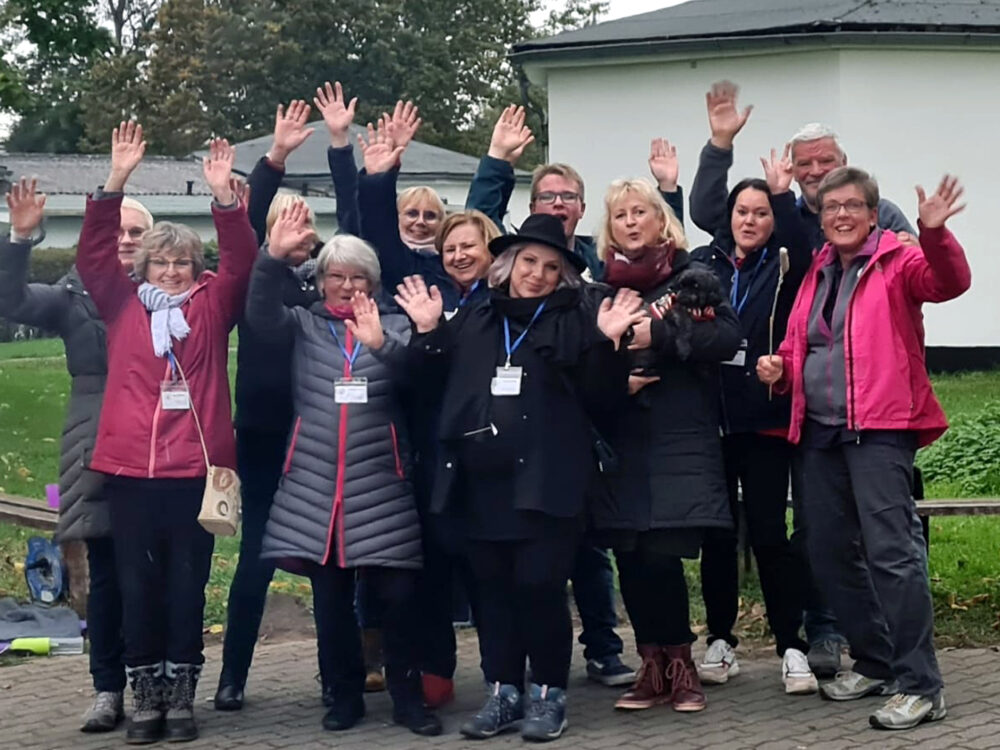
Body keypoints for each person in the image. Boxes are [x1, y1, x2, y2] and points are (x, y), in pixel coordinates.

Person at [395, 214, 642, 741]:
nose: (537, 274)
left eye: (551, 267)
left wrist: (606, 344)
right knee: (492, 593)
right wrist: (426, 332)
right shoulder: (476, 316)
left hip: (548, 486)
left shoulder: (577, 320)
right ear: (507, 264)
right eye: (529, 261)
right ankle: (503, 691)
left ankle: (549, 694)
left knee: (539, 588)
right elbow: (427, 381)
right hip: (480, 487)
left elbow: (606, 402)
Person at [757, 168, 970, 731]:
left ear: (874, 214)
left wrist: (934, 233)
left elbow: (949, 283)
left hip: (880, 427)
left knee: (892, 555)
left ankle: (923, 685)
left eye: (853, 206)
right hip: (822, 430)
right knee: (825, 550)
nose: (842, 215)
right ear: (821, 219)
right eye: (832, 208)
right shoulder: (818, 271)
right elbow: (805, 340)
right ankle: (876, 660)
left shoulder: (899, 262)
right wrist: (781, 367)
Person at [466, 106, 669, 688]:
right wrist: (497, 160)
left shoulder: (593, 268)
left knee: (588, 555)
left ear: (582, 208)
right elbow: (480, 226)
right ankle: (513, 676)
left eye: (569, 196)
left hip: (584, 437)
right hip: (517, 445)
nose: (558, 204)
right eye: (548, 195)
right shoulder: (506, 283)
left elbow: (662, 252)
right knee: (531, 568)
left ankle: (603, 647)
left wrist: (613, 368)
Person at [75, 124, 256, 744]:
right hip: (130, 473)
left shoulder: (212, 305)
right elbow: (94, 253)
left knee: (187, 586)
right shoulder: (122, 304)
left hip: (194, 476)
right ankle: (144, 693)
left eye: (183, 262)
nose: (174, 271)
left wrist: (224, 199)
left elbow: (241, 260)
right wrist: (116, 180)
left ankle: (181, 695)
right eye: (162, 261)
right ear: (145, 265)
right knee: (136, 586)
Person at [246, 204, 441, 737]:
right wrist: (270, 258)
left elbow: (425, 382)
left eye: (359, 277)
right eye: (336, 275)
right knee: (331, 602)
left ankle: (407, 698)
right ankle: (342, 695)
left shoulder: (398, 323)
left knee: (399, 598)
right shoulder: (304, 324)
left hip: (383, 481)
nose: (347, 285)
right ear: (321, 280)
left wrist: (383, 345)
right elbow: (259, 316)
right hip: (316, 486)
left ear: (374, 284)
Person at [689, 80, 850, 675]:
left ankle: (791, 645)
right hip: (712, 421)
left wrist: (784, 197)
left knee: (768, 533)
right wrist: (718, 146)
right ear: (727, 219)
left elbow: (806, 245)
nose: (751, 219)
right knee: (716, 536)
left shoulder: (789, 263)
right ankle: (721, 638)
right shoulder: (703, 264)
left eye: (761, 212)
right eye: (742, 211)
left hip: (765, 419)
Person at [214, 89, 367, 711]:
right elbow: (245, 235)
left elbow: (358, 226)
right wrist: (275, 155)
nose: (297, 235)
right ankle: (233, 677)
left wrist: (339, 146)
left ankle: (348, 678)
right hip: (264, 434)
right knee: (256, 559)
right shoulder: (259, 282)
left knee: (338, 562)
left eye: (306, 230)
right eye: (286, 226)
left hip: (325, 438)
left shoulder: (332, 291)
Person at [0, 178, 152, 733]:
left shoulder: (172, 292)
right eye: (117, 231)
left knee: (156, 573)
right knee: (109, 574)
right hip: (96, 443)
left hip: (163, 443)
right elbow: (10, 300)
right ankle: (108, 689)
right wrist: (19, 238)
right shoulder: (71, 299)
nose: (127, 240)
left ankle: (159, 685)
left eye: (138, 232)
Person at [589, 177, 741, 714]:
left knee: (662, 554)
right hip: (622, 442)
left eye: (640, 212)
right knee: (629, 553)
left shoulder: (692, 279)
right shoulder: (598, 290)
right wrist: (614, 378)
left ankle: (681, 666)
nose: (631, 222)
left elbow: (727, 338)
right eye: (621, 215)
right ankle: (649, 664)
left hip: (679, 439)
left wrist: (666, 337)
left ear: (661, 221)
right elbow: (581, 366)